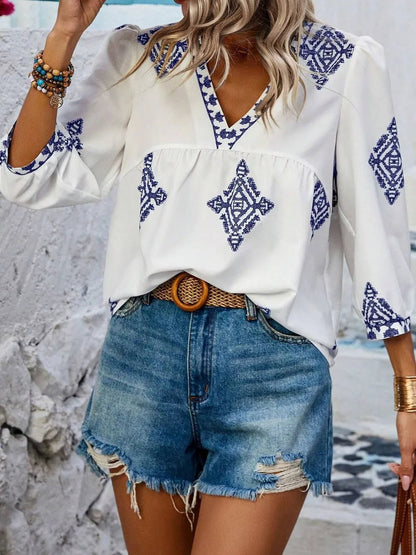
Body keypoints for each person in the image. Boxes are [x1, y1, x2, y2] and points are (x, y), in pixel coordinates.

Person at [1, 0, 415, 553]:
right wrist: (65, 34)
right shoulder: (140, 57)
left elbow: (378, 232)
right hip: (144, 359)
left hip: (273, 370)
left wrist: (408, 397)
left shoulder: (344, 65)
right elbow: (28, 175)